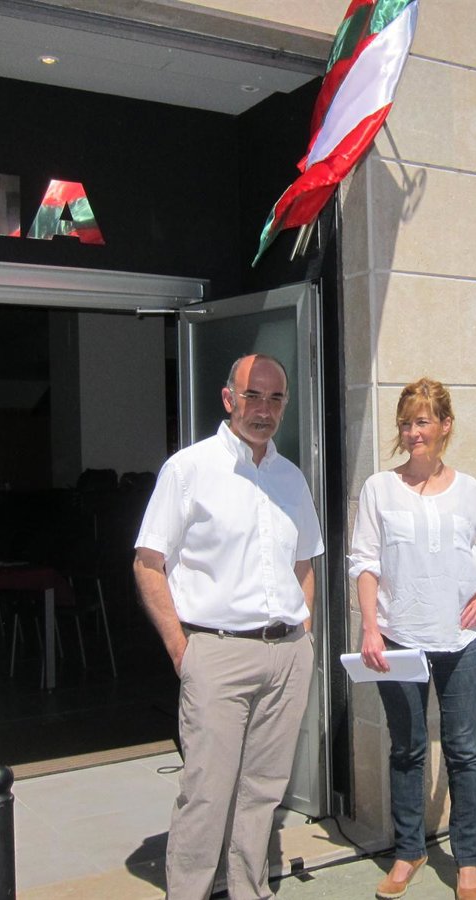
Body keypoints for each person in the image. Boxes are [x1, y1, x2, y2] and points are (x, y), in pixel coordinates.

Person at [133, 353, 323, 900]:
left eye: (275, 398)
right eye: (252, 396)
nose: (263, 409)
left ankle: (248, 889)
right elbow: (148, 562)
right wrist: (181, 649)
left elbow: (304, 563)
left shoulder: (290, 477)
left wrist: (304, 633)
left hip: (286, 655)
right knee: (206, 793)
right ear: (228, 398)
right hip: (216, 652)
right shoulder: (189, 469)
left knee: (263, 792)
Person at [349, 378, 476, 900]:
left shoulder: (469, 490)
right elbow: (365, 562)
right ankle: (409, 851)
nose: (413, 432)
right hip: (398, 639)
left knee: (462, 750)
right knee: (408, 750)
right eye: (406, 423)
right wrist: (370, 627)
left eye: (422, 421)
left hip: (460, 639)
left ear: (444, 426)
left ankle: (468, 859)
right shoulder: (379, 489)